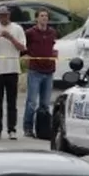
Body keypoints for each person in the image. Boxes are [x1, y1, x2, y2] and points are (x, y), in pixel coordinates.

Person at [0, 5, 26, 140]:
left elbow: (22, 47)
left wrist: (10, 38)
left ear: (9, 15)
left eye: (6, 15)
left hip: (12, 69)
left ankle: (12, 129)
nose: (4, 17)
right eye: (1, 15)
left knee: (11, 102)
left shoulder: (17, 29)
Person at [23, 8, 58, 138]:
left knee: (45, 103)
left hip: (49, 70)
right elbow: (23, 47)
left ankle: (42, 129)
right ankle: (28, 127)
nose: (44, 18)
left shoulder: (52, 32)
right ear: (37, 18)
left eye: (46, 16)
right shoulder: (30, 33)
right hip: (35, 70)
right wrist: (26, 56)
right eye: (42, 16)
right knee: (32, 102)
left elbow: (53, 46)